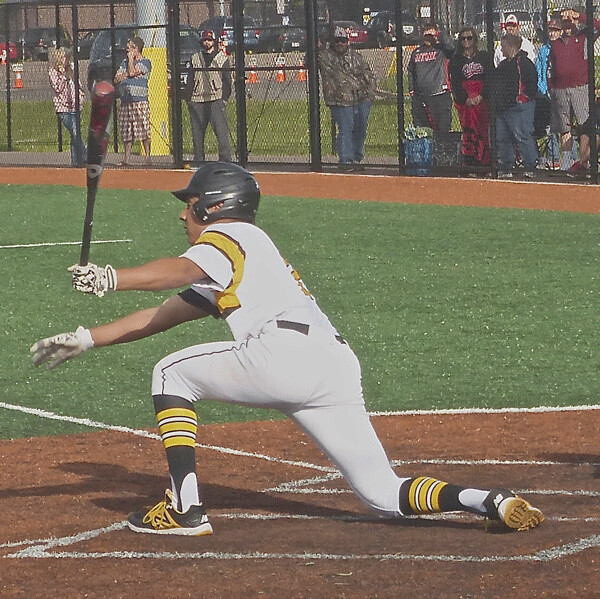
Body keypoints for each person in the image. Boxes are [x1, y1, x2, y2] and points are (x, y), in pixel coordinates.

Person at [30, 162, 544, 536]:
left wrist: (110, 276)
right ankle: (488, 500)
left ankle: (185, 507)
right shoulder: (242, 259)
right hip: (333, 367)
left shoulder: (233, 237)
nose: (183, 215)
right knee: (382, 494)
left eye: (189, 205)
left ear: (214, 207)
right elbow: (163, 314)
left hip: (282, 357)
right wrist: (87, 337)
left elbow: (182, 268)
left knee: (170, 373)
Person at [318, 26, 376, 171]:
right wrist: (321, 43)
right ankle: (346, 160)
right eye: (337, 41)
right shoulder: (325, 57)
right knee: (346, 129)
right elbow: (311, 57)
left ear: (348, 42)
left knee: (360, 129)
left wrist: (369, 95)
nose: (340, 44)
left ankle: (356, 158)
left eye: (343, 41)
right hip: (340, 100)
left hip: (361, 98)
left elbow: (369, 76)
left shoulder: (356, 57)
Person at [549, 9, 600, 172]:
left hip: (580, 89)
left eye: (571, 22)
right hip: (561, 91)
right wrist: (553, 87)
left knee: (586, 126)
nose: (568, 25)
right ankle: (566, 162)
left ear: (576, 23)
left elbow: (599, 26)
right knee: (565, 127)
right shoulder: (555, 43)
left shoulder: (584, 37)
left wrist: (580, 16)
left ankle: (585, 162)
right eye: (565, 23)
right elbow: (551, 69)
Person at [493, 34, 538, 178]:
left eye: (503, 46)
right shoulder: (503, 64)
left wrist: (522, 98)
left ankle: (530, 167)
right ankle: (506, 168)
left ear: (512, 46)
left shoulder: (523, 62)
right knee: (503, 138)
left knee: (523, 136)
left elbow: (531, 84)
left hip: (519, 108)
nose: (501, 49)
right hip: (503, 108)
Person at [184, 29, 232, 165]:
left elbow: (227, 80)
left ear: (214, 42)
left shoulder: (222, 58)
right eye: (205, 40)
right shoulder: (195, 58)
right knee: (197, 135)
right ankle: (199, 160)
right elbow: (190, 80)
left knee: (221, 133)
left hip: (215, 98)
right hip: (197, 99)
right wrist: (189, 99)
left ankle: (225, 160)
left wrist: (224, 98)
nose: (207, 43)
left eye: (209, 40)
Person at [449, 27, 492, 169]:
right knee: (469, 131)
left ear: (475, 39)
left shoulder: (484, 57)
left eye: (469, 38)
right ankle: (470, 162)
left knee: (483, 131)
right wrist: (464, 98)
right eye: (463, 39)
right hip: (466, 102)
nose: (466, 41)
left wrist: (482, 96)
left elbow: (490, 78)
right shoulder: (456, 59)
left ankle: (484, 162)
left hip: (481, 100)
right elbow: (454, 82)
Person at [407, 22, 454, 132]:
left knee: (443, 130)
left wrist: (439, 35)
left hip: (440, 95)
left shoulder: (442, 50)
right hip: (421, 97)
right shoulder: (416, 52)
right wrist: (412, 90)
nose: (428, 38)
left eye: (431, 36)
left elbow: (451, 47)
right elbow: (411, 71)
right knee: (423, 130)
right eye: (426, 35)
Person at [114, 36, 152, 166]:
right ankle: (126, 159)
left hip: (139, 101)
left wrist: (131, 63)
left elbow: (133, 71)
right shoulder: (123, 63)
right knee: (126, 130)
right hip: (125, 101)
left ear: (137, 49)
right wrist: (128, 74)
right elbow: (117, 78)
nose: (127, 52)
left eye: (130, 49)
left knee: (143, 128)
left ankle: (147, 158)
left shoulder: (145, 62)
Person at [48, 47, 87, 167]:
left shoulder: (71, 68)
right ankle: (85, 156)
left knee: (75, 133)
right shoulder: (53, 72)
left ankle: (76, 161)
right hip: (63, 109)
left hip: (75, 106)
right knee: (75, 131)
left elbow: (78, 84)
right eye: (66, 58)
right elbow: (57, 88)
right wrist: (63, 75)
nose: (68, 60)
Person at [536, 19, 562, 169]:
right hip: (546, 94)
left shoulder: (564, 47)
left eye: (555, 30)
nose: (552, 33)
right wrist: (542, 91)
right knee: (550, 129)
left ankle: (570, 160)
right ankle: (554, 159)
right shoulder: (544, 49)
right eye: (550, 30)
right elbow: (540, 72)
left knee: (565, 128)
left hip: (561, 94)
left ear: (560, 32)